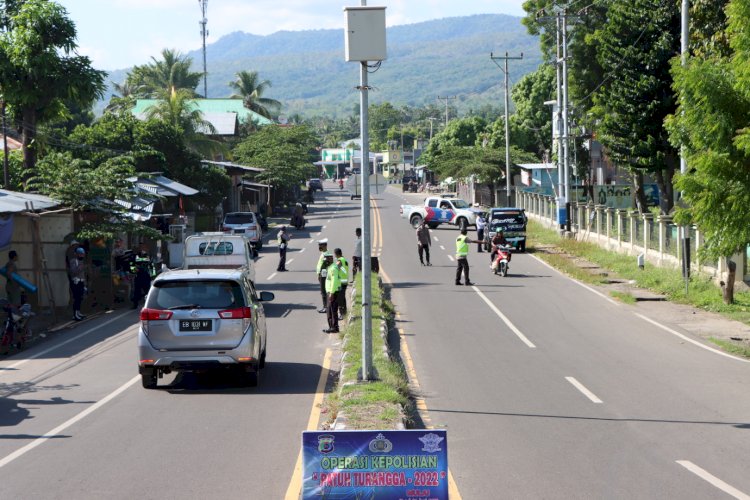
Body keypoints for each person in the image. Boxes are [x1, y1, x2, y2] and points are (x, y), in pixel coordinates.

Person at [323, 253, 341, 333]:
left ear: (330, 258)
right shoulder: (330, 267)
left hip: (333, 292)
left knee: (332, 310)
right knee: (330, 310)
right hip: (330, 291)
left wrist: (332, 293)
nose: (325, 261)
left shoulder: (333, 268)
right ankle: (332, 327)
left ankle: (334, 327)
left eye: (326, 259)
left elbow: (334, 281)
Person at [68, 247, 87, 321]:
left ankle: (78, 312)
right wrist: (81, 267)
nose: (82, 256)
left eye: (83, 254)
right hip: (76, 282)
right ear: (77, 254)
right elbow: (74, 271)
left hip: (81, 281)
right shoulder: (73, 261)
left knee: (80, 298)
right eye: (81, 254)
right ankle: (75, 314)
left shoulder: (81, 262)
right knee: (76, 298)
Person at [334, 248, 348, 319]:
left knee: (340, 298)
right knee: (343, 297)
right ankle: (344, 313)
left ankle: (342, 314)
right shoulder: (344, 260)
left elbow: (335, 269)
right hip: (345, 281)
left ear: (336, 254)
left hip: (340, 282)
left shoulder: (339, 261)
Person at [316, 239, 329, 313]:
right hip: (322, 275)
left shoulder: (326, 254)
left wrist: (320, 275)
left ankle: (325, 307)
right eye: (319, 245)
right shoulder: (323, 253)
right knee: (323, 291)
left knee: (323, 291)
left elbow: (324, 266)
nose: (319, 247)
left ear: (325, 245)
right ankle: (326, 306)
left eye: (320, 245)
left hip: (323, 275)